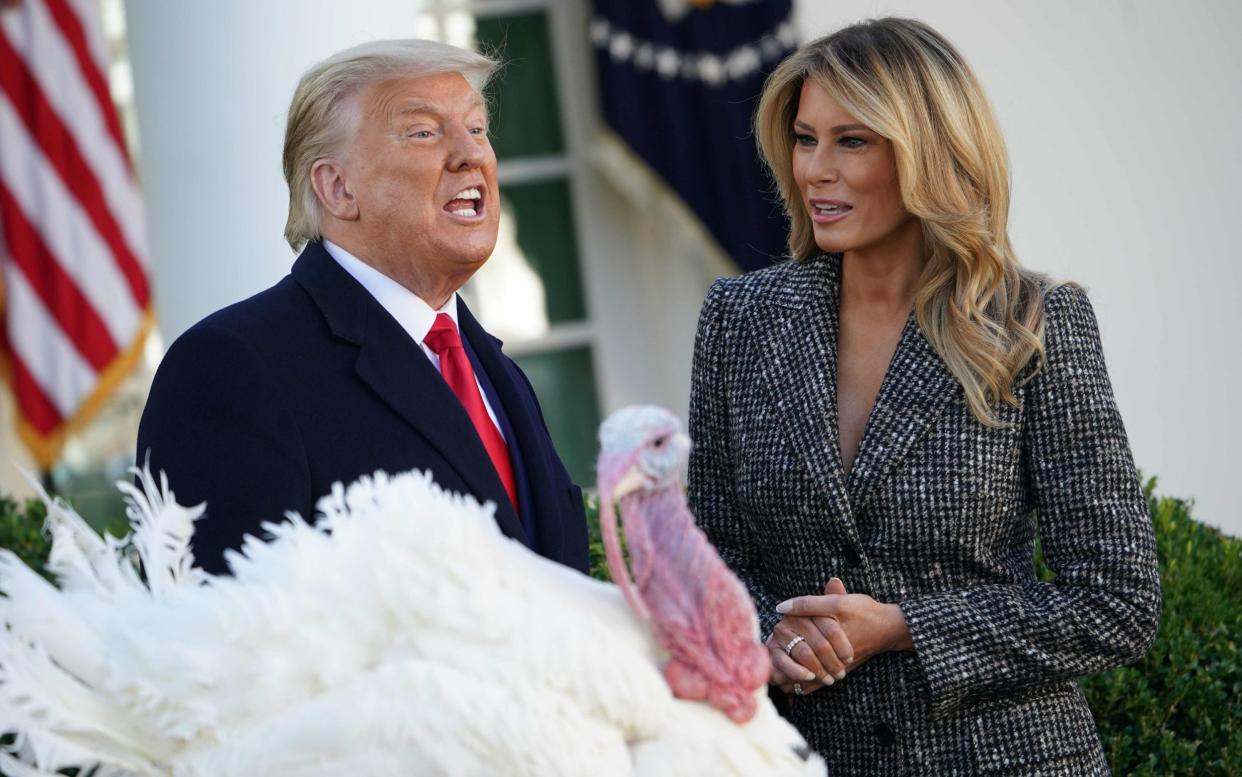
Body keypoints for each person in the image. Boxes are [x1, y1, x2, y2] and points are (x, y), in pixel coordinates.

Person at [687, 17, 1160, 775]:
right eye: (805, 139)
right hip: (806, 756)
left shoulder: (1034, 322)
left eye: (852, 141)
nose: (815, 170)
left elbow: (1116, 600)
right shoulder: (739, 321)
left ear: (928, 150)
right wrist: (767, 637)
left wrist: (905, 626)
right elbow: (712, 550)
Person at [137, 40, 589, 576]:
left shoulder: (494, 369)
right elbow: (226, 636)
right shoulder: (230, 368)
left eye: (476, 128)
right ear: (337, 188)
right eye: (423, 132)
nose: (471, 154)